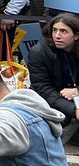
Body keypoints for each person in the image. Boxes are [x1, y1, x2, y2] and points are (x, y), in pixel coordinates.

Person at [27, 12, 79, 142]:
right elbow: (43, 89)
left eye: (63, 31)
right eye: (54, 30)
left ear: (76, 35)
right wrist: (74, 110)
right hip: (50, 100)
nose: (57, 36)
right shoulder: (38, 52)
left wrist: (77, 91)